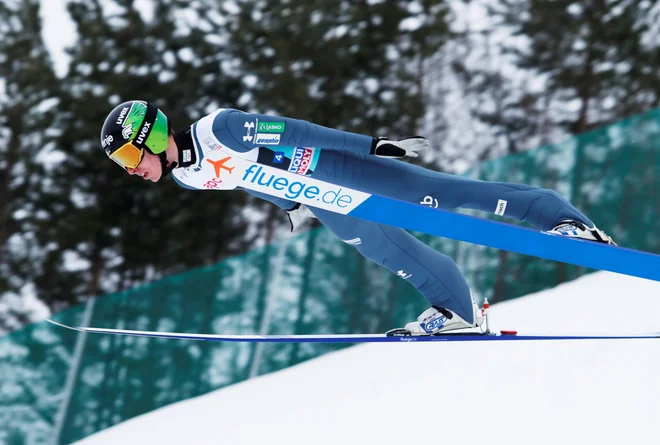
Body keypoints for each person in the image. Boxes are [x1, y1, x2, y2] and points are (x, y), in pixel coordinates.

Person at [100, 100, 615, 336]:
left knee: (442, 197)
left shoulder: (223, 129)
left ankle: (561, 219)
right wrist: (293, 206)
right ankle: (458, 309)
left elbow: (299, 132)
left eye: (129, 158)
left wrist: (373, 145)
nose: (133, 171)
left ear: (153, 136)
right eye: (123, 166)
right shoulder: (188, 176)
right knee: (383, 249)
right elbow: (248, 179)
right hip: (323, 198)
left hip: (342, 166)